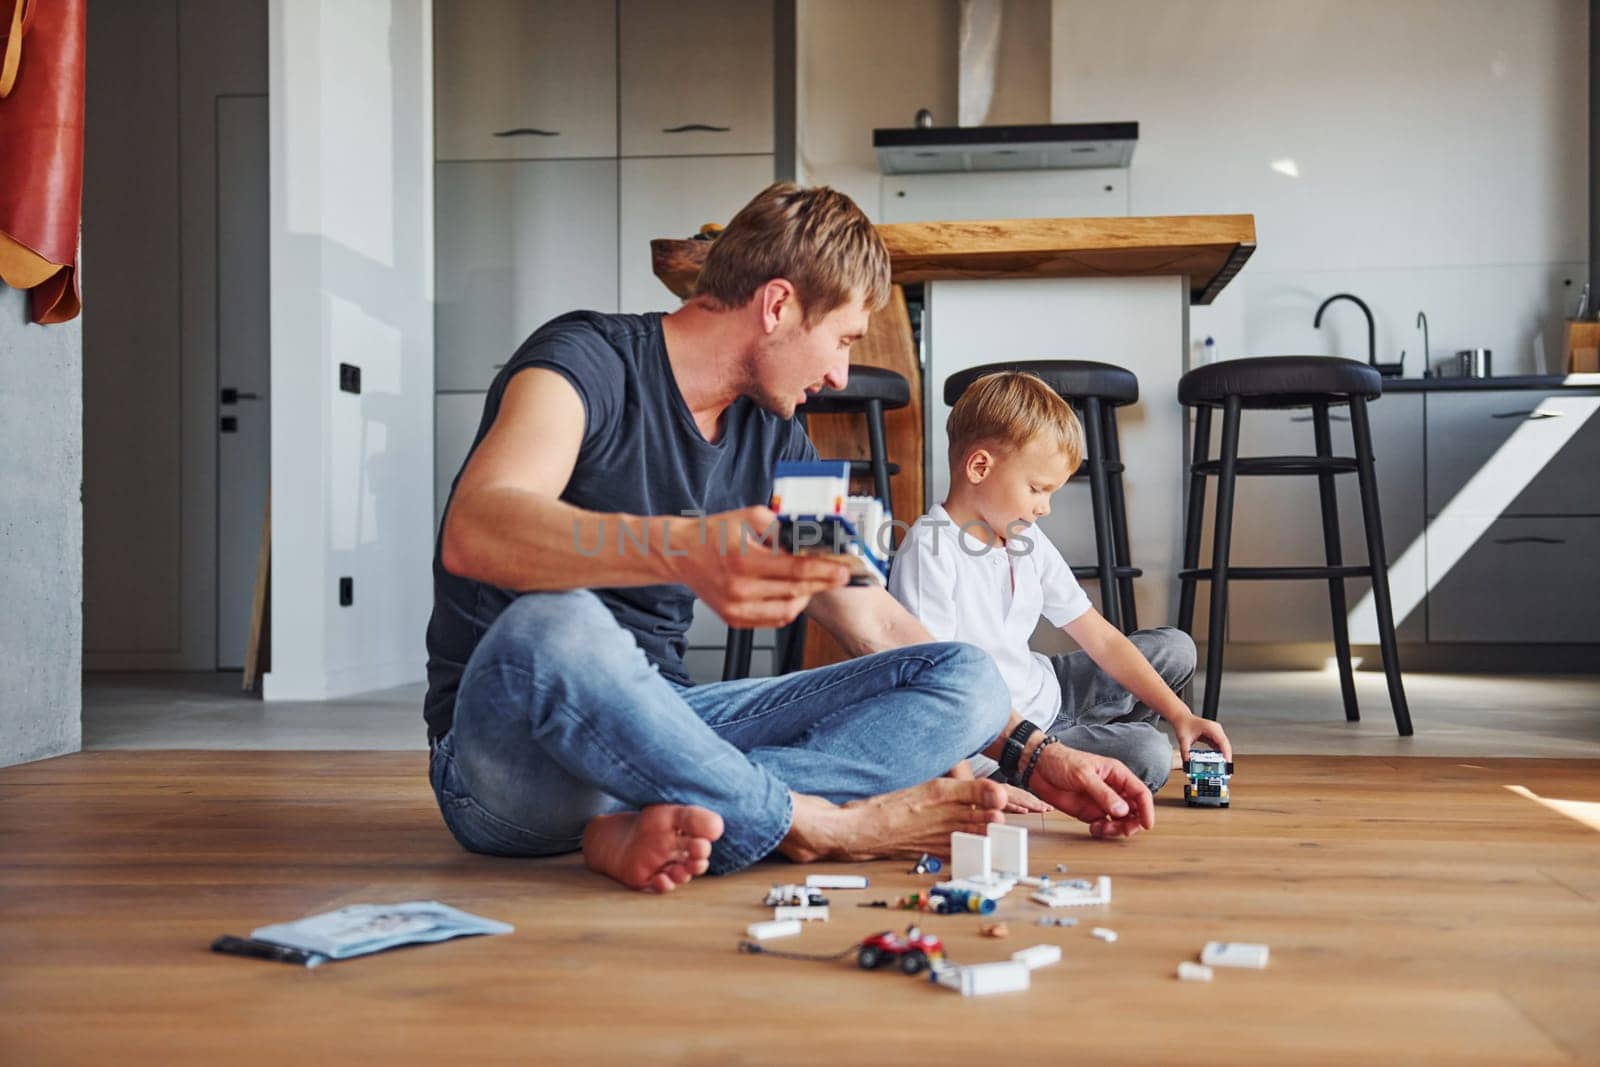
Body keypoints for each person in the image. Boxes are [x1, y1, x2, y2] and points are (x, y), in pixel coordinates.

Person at [424, 183, 1155, 894]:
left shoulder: (784, 441)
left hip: (670, 735)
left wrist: (1035, 753)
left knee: (966, 674)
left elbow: (870, 615)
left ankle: (671, 817)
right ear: (778, 305)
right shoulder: (584, 360)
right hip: (512, 757)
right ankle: (813, 822)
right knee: (557, 622)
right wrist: (683, 545)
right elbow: (477, 526)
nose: (840, 373)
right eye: (840, 339)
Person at [888, 371, 1233, 794]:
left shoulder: (1022, 534)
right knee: (1150, 755)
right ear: (980, 466)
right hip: (1001, 746)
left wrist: (1182, 715)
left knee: (1175, 648)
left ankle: (1097, 738)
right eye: (1037, 489)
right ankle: (1089, 749)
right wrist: (965, 790)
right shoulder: (929, 553)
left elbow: (1100, 639)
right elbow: (932, 694)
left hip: (1049, 689)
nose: (1045, 508)